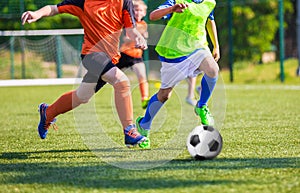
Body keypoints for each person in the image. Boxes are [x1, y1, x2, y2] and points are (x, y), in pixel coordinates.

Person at [21, 0, 148, 147]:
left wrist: (138, 37)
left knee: (82, 96)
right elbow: (54, 8)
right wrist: (36, 13)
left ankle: (48, 112)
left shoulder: (124, 2)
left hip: (110, 59)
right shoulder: (83, 2)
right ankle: (129, 131)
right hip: (91, 55)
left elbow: (131, 30)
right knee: (122, 82)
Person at [136, 0, 220, 149]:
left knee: (213, 69)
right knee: (164, 95)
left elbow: (209, 20)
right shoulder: (177, 1)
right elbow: (153, 16)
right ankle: (144, 125)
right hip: (174, 51)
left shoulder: (210, 2)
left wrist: (216, 45)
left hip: (198, 46)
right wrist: (172, 9)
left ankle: (201, 106)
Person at [118, 0, 150, 109]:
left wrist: (143, 36)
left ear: (144, 13)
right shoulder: (128, 23)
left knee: (142, 76)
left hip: (136, 56)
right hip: (124, 54)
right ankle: (93, 87)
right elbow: (126, 38)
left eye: (140, 10)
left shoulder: (144, 24)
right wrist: (137, 36)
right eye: (135, 10)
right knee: (109, 75)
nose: (137, 12)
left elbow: (144, 35)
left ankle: (145, 99)